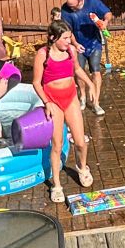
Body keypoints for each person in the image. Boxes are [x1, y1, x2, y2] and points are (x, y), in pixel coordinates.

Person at [32, 20, 97, 203]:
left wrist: (90, 83)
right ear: (53, 38)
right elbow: (37, 82)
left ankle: (82, 167)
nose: (70, 41)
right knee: (57, 145)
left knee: (80, 142)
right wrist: (46, 102)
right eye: (66, 38)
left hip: (70, 99)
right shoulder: (42, 55)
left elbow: (76, 69)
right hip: (53, 102)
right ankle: (57, 185)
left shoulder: (71, 51)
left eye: (70, 37)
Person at [60, 0, 112, 115]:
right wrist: (75, 44)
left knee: (96, 70)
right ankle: (82, 96)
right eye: (69, 6)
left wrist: (105, 22)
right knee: (79, 72)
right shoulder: (65, 9)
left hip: (94, 43)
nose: (71, 9)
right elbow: (68, 30)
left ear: (81, 0)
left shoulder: (92, 2)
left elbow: (108, 13)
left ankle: (96, 103)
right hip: (78, 44)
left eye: (73, 6)